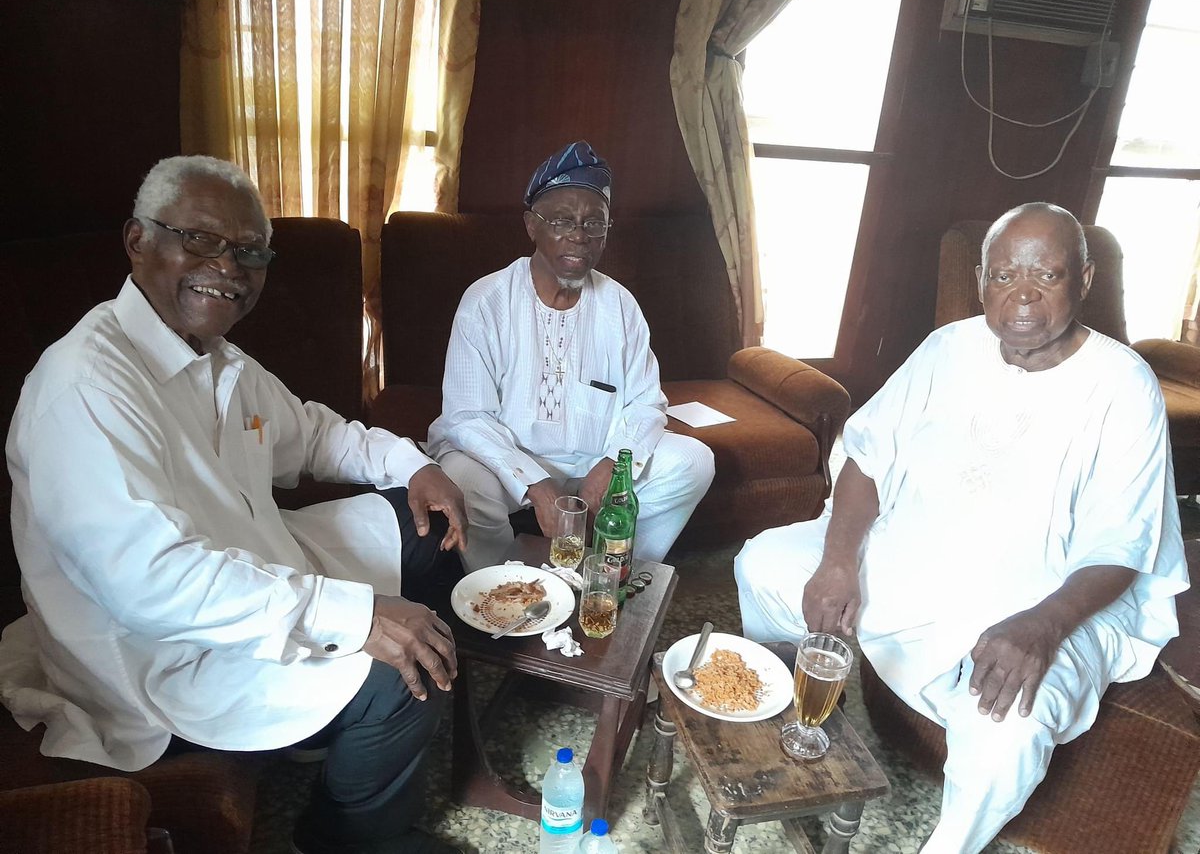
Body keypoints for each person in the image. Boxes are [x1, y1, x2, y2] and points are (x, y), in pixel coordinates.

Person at [0, 156, 469, 854]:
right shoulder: (85, 385)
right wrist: (357, 616)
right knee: (398, 671)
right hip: (163, 650)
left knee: (425, 526)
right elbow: (150, 585)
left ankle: (333, 733)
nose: (229, 266)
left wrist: (417, 465)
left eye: (250, 251)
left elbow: (310, 434)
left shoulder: (218, 358)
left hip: (253, 563)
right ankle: (348, 836)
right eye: (201, 240)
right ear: (137, 239)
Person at [735, 202, 1189, 853]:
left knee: (1006, 728)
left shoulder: (1124, 385)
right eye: (1004, 276)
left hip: (1051, 601)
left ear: (1084, 279)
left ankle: (952, 843)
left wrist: (1043, 625)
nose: (1022, 298)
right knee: (765, 563)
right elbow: (867, 457)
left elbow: (1123, 545)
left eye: (1047, 276)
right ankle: (804, 722)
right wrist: (838, 559)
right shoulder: (951, 346)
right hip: (912, 556)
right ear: (981, 279)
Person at [427, 140, 715, 566]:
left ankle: (619, 570)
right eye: (561, 221)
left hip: (591, 459)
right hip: (503, 462)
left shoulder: (619, 304)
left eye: (593, 223)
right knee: (463, 481)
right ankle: (502, 590)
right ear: (531, 225)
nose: (578, 237)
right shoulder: (486, 300)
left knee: (693, 461)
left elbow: (647, 403)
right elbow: (467, 416)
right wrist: (534, 481)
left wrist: (613, 465)